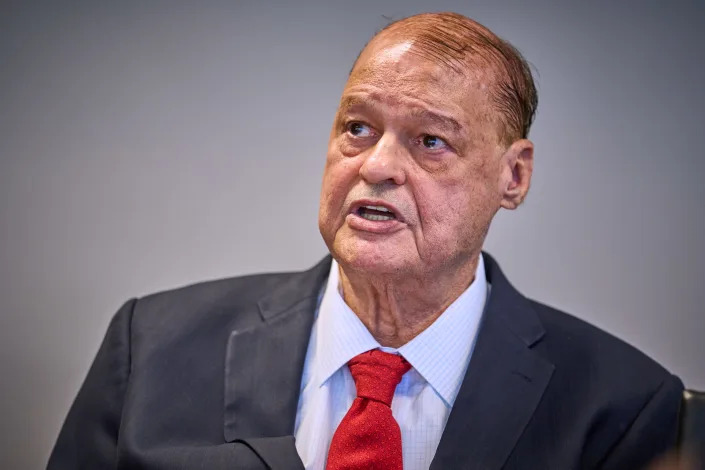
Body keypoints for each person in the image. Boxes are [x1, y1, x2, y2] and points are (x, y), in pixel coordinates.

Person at [47, 11, 685, 470]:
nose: (377, 165)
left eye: (430, 140)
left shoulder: (623, 406)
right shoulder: (151, 345)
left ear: (512, 177)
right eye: (357, 127)